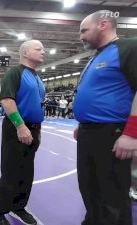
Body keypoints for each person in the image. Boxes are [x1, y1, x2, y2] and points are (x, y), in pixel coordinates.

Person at [73, 10, 137, 225]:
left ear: (103, 24)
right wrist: (83, 123)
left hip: (112, 133)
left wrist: (132, 133)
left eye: (84, 30)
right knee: (89, 188)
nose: (81, 36)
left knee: (112, 196)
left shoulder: (129, 48)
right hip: (89, 132)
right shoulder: (98, 56)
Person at [0, 40, 45, 225]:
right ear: (25, 53)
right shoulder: (15, 73)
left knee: (27, 172)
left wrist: (38, 131)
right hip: (17, 128)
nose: (43, 52)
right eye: (38, 49)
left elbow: (39, 105)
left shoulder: (37, 78)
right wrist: (21, 126)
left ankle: (18, 207)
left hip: (34, 129)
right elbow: (7, 100)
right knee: (11, 171)